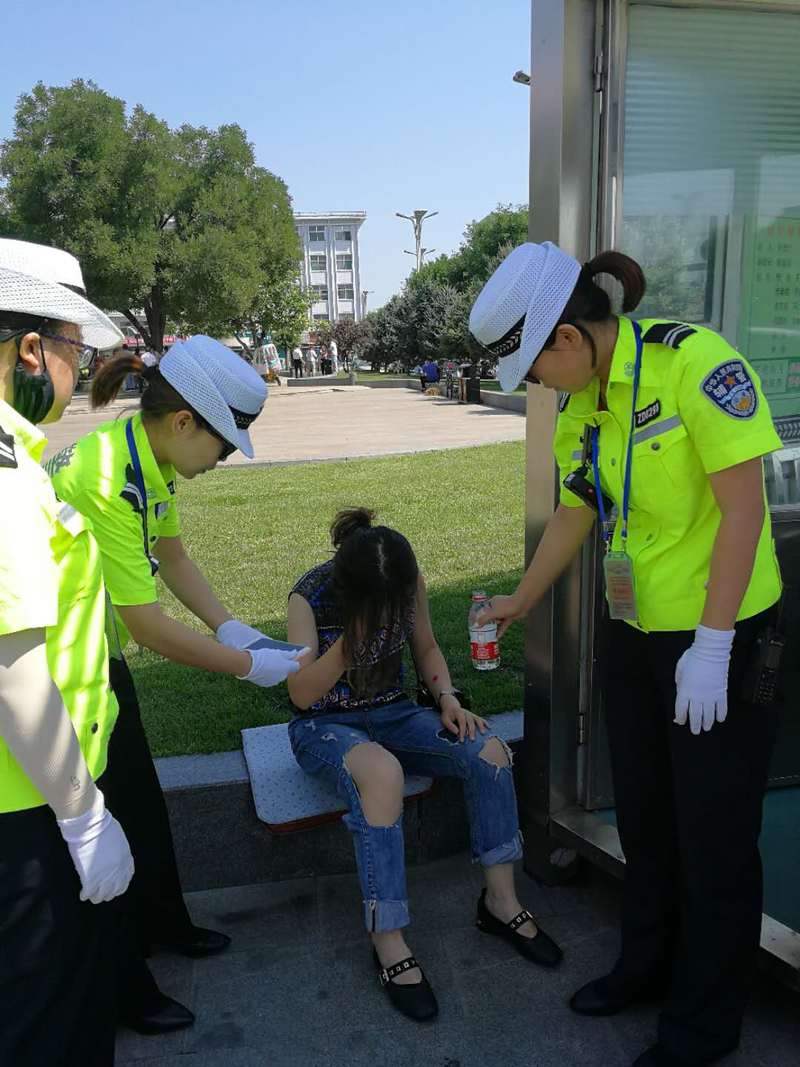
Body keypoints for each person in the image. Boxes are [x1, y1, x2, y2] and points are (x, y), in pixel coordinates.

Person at [469, 242, 784, 1067]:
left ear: (569, 337)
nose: (535, 387)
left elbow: (744, 511)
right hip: (637, 634)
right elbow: (579, 509)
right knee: (647, 818)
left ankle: (705, 1024)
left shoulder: (696, 365)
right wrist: (521, 599)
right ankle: (645, 968)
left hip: (722, 636)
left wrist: (713, 647)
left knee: (716, 837)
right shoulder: (586, 403)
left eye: (534, 368)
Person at [46, 336, 302, 1021]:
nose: (221, 462)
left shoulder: (147, 455)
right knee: (101, 830)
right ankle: (126, 986)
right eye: (223, 446)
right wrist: (250, 666)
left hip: (93, 660)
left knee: (144, 804)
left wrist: (232, 628)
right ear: (185, 422)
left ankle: (165, 922)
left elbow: (174, 555)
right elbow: (147, 624)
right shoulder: (107, 477)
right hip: (54, 676)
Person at [286, 507, 563, 1023]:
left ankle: (500, 903)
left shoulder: (407, 582)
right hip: (324, 727)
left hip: (393, 714)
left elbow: (428, 648)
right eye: (384, 604)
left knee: (490, 752)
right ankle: (386, 936)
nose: (395, 610)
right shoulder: (310, 596)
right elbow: (301, 695)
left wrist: (448, 698)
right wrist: (351, 643)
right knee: (382, 774)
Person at [0, 238, 134, 1065]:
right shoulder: (8, 469)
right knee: (43, 1025)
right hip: (27, 807)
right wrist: (83, 815)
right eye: (73, 351)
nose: (79, 371)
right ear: (27, 349)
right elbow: (14, 669)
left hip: (36, 791)